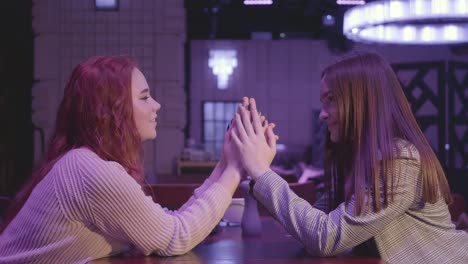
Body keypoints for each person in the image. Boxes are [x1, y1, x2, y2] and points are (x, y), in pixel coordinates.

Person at [0, 56, 243, 263]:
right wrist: (235, 169)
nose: (156, 105)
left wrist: (225, 163)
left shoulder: (83, 161)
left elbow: (166, 224)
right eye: (145, 97)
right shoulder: (88, 170)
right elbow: (174, 237)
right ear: (111, 110)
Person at [230, 52, 468, 263]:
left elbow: (325, 237)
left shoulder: (400, 160)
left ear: (363, 102)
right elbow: (313, 221)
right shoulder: (361, 157)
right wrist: (259, 170)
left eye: (331, 100)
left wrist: (261, 171)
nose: (322, 115)